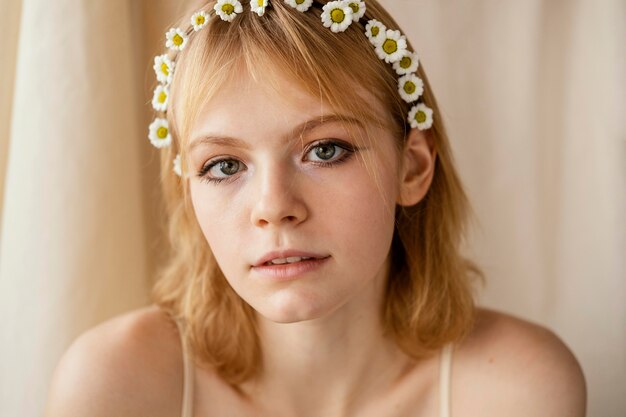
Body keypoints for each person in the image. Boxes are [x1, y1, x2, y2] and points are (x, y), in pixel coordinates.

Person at [45, 1, 586, 416]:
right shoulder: (118, 385)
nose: (274, 207)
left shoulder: (517, 389)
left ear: (413, 168)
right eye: (224, 166)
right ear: (188, 190)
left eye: (326, 150)